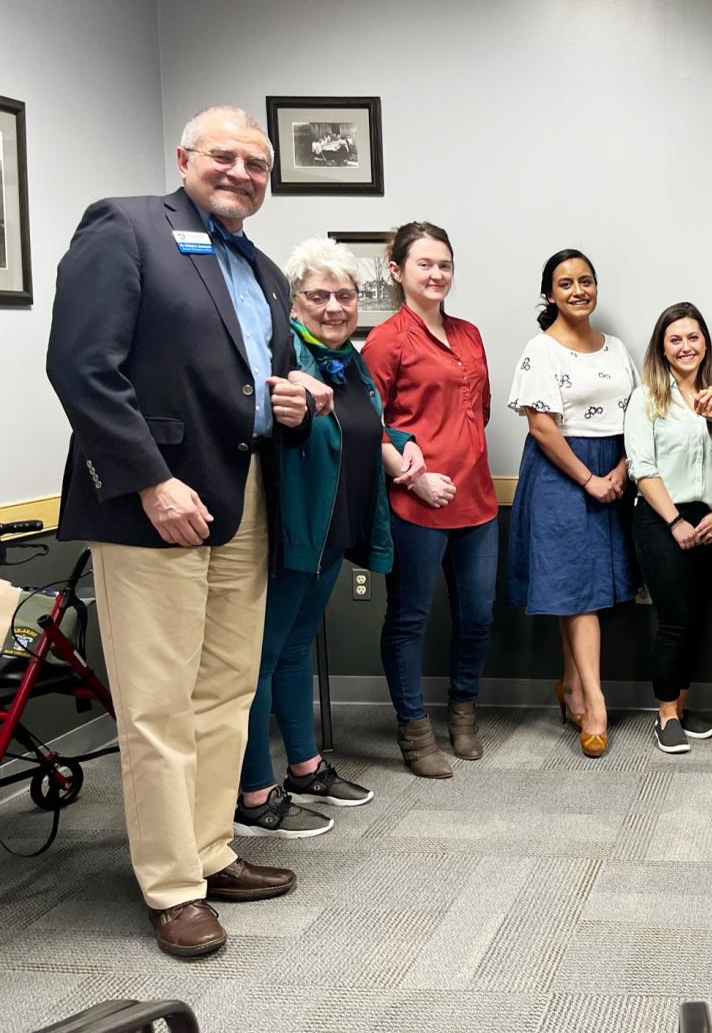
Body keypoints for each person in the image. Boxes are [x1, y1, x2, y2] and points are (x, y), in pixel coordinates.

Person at [45, 105, 311, 957]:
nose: (241, 173)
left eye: (257, 165)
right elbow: (82, 366)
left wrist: (295, 398)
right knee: (158, 703)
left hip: (243, 497)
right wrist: (153, 481)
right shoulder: (124, 226)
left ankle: (209, 849)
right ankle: (172, 886)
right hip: (150, 502)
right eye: (225, 157)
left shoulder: (266, 269)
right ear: (185, 157)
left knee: (226, 690)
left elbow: (257, 382)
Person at [233, 238, 426, 837]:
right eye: (319, 296)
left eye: (345, 295)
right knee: (260, 662)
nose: (335, 307)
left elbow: (361, 420)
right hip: (293, 531)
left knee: (295, 650)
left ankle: (305, 767)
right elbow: (269, 420)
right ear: (293, 303)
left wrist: (401, 438)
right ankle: (253, 793)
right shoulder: (284, 357)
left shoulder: (350, 360)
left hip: (335, 530)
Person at [362, 222, 499, 778]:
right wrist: (413, 477)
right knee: (409, 618)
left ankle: (462, 712)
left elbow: (481, 410)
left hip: (479, 501)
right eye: (424, 264)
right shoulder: (386, 340)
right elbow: (365, 423)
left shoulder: (468, 333)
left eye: (444, 264)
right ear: (397, 271)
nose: (437, 274)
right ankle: (415, 732)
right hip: (417, 503)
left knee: (478, 615)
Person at [507, 249, 639, 758]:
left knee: (584, 586)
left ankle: (571, 686)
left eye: (586, 281)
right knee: (579, 591)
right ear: (550, 294)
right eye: (566, 284)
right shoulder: (540, 350)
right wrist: (589, 479)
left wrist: (622, 470)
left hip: (614, 468)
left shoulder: (617, 348)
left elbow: (636, 414)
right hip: (563, 472)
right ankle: (596, 703)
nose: (578, 290)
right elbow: (541, 426)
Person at [624, 302, 712, 754]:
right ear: (662, 348)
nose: (686, 346)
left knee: (700, 620)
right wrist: (676, 522)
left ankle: (681, 709)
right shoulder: (646, 397)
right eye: (675, 339)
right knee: (675, 620)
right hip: (662, 519)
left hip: (710, 520)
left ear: (705, 342)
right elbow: (642, 469)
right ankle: (665, 716)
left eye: (693, 337)